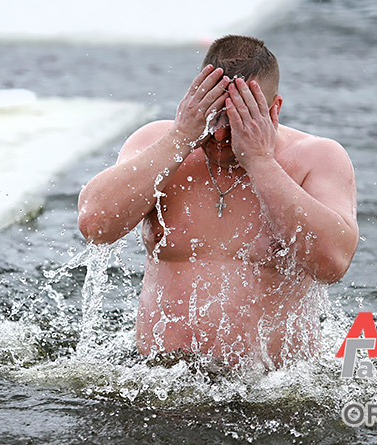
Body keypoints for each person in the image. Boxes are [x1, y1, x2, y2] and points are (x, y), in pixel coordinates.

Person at [77, 35, 358, 369]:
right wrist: (181, 138)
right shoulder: (159, 144)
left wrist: (260, 161)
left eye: (240, 118)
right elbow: (95, 225)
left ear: (274, 109)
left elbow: (332, 264)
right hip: (161, 381)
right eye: (214, 118)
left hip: (274, 389)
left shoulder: (315, 157)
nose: (223, 135)